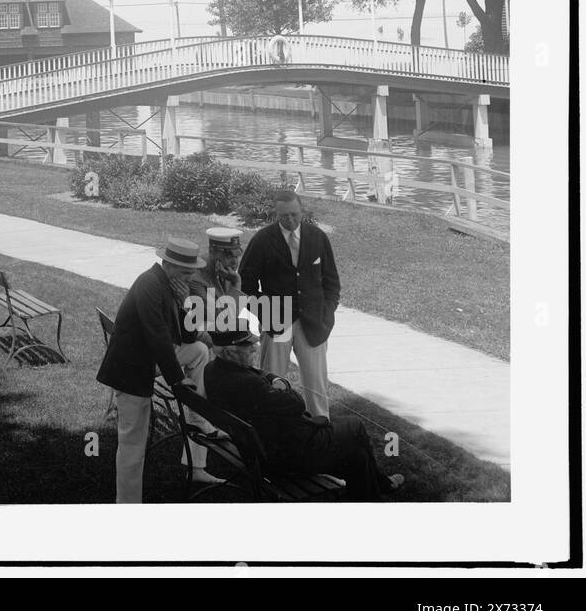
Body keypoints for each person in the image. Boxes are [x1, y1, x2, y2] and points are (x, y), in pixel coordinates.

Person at [202, 315, 403, 500]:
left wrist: (271, 381)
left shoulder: (214, 371)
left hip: (261, 453)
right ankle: (380, 483)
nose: (254, 349)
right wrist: (281, 386)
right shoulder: (248, 384)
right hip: (290, 456)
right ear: (228, 352)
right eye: (247, 346)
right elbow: (297, 404)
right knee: (356, 426)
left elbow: (259, 374)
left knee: (357, 457)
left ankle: (374, 489)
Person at [97, 238, 217, 502]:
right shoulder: (150, 284)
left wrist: (185, 301)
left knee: (199, 350)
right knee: (132, 445)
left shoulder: (170, 286)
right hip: (131, 370)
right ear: (168, 264)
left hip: (148, 360)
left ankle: (197, 463)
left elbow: (188, 338)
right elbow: (158, 336)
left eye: (191, 272)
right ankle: (127, 505)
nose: (190, 277)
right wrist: (177, 380)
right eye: (185, 272)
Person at [238, 190, 338, 418]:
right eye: (284, 217)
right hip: (276, 323)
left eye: (294, 215)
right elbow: (246, 284)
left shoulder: (318, 238)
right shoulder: (262, 240)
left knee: (316, 386)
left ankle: (321, 432)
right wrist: (263, 313)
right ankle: (271, 430)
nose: (290, 220)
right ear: (276, 214)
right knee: (272, 383)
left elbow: (332, 282)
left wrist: (327, 314)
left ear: (301, 211)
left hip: (313, 323)